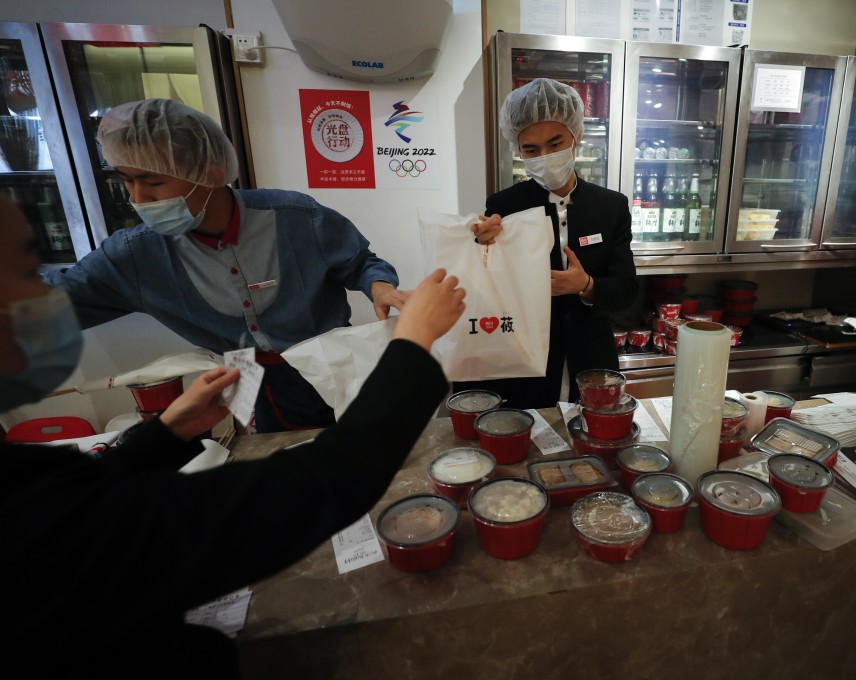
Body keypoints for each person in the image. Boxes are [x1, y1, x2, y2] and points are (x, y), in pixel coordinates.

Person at [0, 194, 465, 678]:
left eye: (39, 272)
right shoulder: (34, 527)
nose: (51, 297)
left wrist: (165, 434)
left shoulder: (296, 218)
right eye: (32, 274)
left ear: (209, 171)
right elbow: (325, 479)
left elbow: (83, 497)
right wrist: (413, 343)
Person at [43, 98, 408, 433]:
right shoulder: (135, 256)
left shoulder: (295, 217)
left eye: (153, 181)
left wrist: (379, 286)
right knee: (280, 466)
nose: (138, 198)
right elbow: (50, 302)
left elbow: (359, 262)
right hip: (248, 378)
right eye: (127, 181)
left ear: (210, 174)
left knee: (364, 449)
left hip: (333, 362)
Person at [455, 78, 638, 408]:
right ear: (518, 149)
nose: (545, 156)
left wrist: (587, 285)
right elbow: (485, 285)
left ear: (576, 135)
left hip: (591, 358)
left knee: (590, 439)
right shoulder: (505, 205)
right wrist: (481, 244)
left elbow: (626, 289)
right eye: (531, 150)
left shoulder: (611, 206)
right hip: (526, 357)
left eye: (555, 144)